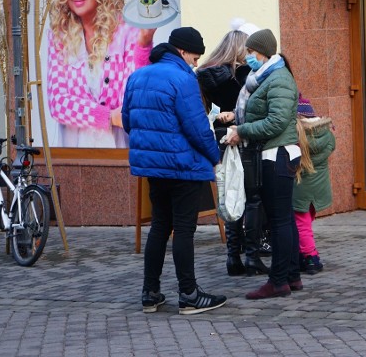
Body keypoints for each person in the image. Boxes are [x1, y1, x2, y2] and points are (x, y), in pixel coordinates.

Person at [121, 26, 227, 315]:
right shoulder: (183, 79)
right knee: (183, 229)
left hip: (154, 168)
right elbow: (196, 126)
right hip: (183, 167)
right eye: (195, 56)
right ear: (182, 51)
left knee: (158, 227)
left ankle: (150, 293)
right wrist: (214, 154)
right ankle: (189, 294)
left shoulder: (137, 76)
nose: (196, 62)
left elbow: (128, 122)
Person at [46, 0, 155, 147]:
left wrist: (144, 45)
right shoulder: (59, 36)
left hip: (119, 152)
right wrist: (106, 116)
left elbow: (132, 99)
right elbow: (57, 103)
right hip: (74, 154)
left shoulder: (127, 31)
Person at [226, 28, 302, 299]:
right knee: (284, 219)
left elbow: (277, 122)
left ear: (263, 52)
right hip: (273, 154)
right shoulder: (268, 77)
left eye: (250, 51)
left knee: (280, 220)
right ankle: (291, 275)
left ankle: (278, 281)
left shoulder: (278, 79)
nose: (248, 57)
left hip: (277, 155)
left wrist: (242, 131)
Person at [196, 18, 271, 278]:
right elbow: (254, 111)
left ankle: (232, 257)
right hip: (245, 140)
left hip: (220, 142)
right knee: (251, 198)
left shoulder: (205, 74)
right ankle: (251, 255)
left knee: (230, 196)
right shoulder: (246, 76)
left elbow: (202, 113)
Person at [292, 95, 335, 275]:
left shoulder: (298, 138)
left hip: (301, 189)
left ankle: (311, 258)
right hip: (319, 188)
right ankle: (306, 253)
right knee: (306, 222)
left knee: (301, 224)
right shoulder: (327, 134)